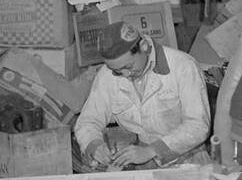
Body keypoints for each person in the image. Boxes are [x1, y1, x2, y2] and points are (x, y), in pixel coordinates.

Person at [74, 21, 211, 170]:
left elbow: (198, 125)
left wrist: (152, 150)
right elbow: (88, 121)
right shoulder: (107, 76)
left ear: (143, 46)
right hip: (144, 162)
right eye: (117, 71)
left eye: (128, 67)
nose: (125, 75)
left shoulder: (182, 66)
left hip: (189, 158)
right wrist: (94, 145)